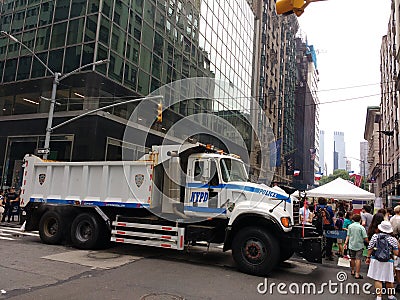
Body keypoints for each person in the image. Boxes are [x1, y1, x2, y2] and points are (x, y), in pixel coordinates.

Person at [366, 221, 399, 300]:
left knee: (378, 279)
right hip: (388, 260)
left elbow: (370, 247)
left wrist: (368, 257)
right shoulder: (393, 239)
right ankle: (390, 295)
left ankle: (379, 296)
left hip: (376, 259)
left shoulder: (375, 236)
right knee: (389, 279)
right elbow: (396, 252)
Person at [344, 214, 368, 279]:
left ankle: (352, 270)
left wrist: (345, 243)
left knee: (352, 258)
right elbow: (365, 237)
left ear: (353, 220)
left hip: (351, 245)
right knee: (358, 259)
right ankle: (357, 274)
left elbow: (348, 235)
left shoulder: (350, 226)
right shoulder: (361, 227)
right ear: (360, 220)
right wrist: (368, 242)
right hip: (359, 245)